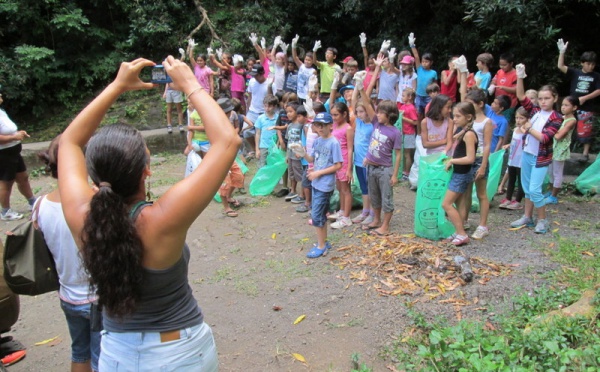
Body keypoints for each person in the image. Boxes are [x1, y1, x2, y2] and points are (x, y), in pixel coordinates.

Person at [57, 57, 240, 371]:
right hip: (179, 353)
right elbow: (227, 140)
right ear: (147, 171)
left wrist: (117, 86)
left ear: (94, 174)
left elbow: (70, 142)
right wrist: (191, 85)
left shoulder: (82, 216)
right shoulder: (162, 218)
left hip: (116, 354)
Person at [37, 135, 101, 372]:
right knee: (101, 357)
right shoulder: (93, 202)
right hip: (96, 297)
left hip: (67, 294)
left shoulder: (40, 205)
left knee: (79, 353)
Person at [510, 63, 561, 233]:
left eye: (547, 98)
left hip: (541, 158)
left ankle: (543, 220)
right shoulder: (535, 111)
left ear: (555, 98)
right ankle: (527, 217)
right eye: (541, 98)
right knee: (526, 188)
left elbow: (545, 138)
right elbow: (520, 96)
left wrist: (529, 128)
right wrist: (520, 76)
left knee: (535, 189)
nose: (543, 101)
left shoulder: (556, 117)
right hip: (527, 153)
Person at [291, 112, 343, 258]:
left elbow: (338, 165)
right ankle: (323, 242)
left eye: (323, 125)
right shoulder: (318, 141)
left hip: (325, 184)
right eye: (317, 125)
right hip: (316, 182)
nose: (320, 128)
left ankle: (321, 246)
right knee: (320, 215)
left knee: (316, 216)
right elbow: (312, 158)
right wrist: (302, 153)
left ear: (330, 126)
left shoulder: (334, 143)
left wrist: (318, 173)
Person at [456, 63, 493, 240]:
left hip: (478, 160)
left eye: (471, 104)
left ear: (480, 104)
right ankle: (464, 220)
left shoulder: (486, 122)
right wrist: (463, 72)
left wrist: (484, 165)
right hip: (466, 159)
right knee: (465, 192)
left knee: (482, 193)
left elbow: (487, 145)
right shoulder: (469, 120)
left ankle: (483, 225)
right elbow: (463, 92)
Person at [361, 100, 402, 236]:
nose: (377, 115)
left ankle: (385, 226)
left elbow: (398, 154)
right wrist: (361, 87)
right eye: (377, 112)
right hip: (371, 167)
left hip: (385, 169)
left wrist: (395, 175)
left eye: (381, 113)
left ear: (389, 115)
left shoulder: (395, 132)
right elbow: (367, 105)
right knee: (374, 196)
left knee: (386, 197)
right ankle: (377, 220)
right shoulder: (376, 124)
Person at [557, 39, 600, 163]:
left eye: (593, 64)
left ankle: (585, 154)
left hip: (588, 107)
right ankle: (564, 150)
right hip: (572, 104)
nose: (591, 66)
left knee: (586, 129)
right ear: (582, 63)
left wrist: (585, 98)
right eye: (588, 64)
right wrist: (562, 52)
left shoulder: (596, 76)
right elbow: (560, 66)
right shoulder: (576, 72)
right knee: (565, 125)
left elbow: (599, 90)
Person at [442, 102, 478, 246]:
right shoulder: (465, 131)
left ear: (469, 117)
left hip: (461, 174)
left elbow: (470, 158)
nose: (454, 119)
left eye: (458, 116)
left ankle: (462, 234)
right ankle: (459, 231)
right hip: (461, 173)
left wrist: (452, 161)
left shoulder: (469, 134)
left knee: (446, 204)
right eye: (453, 116)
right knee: (459, 203)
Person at [0, 92, 36, 221]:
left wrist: (18, 133)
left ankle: (33, 202)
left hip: (13, 151)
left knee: (23, 177)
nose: (0, 94)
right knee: (6, 182)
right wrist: (13, 137)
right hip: (3, 154)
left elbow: (6, 129)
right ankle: (5, 211)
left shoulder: (1, 111)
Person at [349, 69, 376, 225]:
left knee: (371, 188)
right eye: (357, 112)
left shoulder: (372, 124)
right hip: (358, 161)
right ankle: (365, 211)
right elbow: (353, 103)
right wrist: (357, 85)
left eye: (361, 111)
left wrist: (362, 89)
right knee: (364, 188)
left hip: (368, 161)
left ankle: (372, 212)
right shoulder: (358, 121)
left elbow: (366, 104)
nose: (358, 114)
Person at [546, 96, 578, 205]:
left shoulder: (571, 121)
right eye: (562, 105)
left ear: (574, 107)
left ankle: (554, 196)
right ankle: (550, 192)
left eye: (566, 105)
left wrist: (551, 130)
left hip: (560, 149)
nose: (563, 107)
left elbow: (559, 136)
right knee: (550, 172)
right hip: (552, 147)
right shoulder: (561, 117)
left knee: (557, 172)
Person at [217, 97, 245, 217]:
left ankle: (228, 197)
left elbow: (236, 127)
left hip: (230, 153)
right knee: (225, 182)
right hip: (221, 155)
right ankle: (226, 207)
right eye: (226, 112)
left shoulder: (232, 115)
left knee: (238, 176)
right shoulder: (215, 123)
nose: (229, 114)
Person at [499, 107, 527, 210]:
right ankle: (508, 198)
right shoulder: (515, 130)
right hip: (513, 159)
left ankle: (518, 200)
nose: (518, 121)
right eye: (516, 118)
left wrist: (525, 130)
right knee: (511, 179)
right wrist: (509, 145)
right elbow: (515, 142)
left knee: (520, 180)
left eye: (521, 118)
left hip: (521, 161)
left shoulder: (526, 132)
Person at [409, 32, 438, 120]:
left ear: (431, 62)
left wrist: (435, 95)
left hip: (428, 96)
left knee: (428, 115)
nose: (424, 63)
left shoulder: (433, 73)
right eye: (423, 61)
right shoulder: (419, 69)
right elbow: (416, 57)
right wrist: (412, 45)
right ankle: (418, 133)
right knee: (418, 115)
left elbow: (435, 85)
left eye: (427, 62)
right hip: (418, 95)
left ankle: (427, 131)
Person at [489, 52, 518, 120]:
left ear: (511, 63)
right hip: (498, 103)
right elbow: (494, 80)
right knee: (495, 120)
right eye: (500, 64)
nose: (502, 67)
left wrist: (503, 88)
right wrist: (492, 86)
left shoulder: (515, 74)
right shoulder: (499, 71)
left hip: (509, 104)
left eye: (504, 65)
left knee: (505, 120)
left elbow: (516, 90)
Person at [398, 88, 418, 180]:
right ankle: (404, 170)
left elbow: (415, 122)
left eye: (403, 95)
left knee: (407, 154)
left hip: (409, 133)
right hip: (403, 132)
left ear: (409, 97)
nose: (401, 97)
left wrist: (402, 117)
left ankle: (407, 172)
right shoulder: (403, 106)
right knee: (404, 153)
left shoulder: (411, 108)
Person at [254, 95, 280, 168]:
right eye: (265, 106)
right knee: (262, 166)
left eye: (269, 106)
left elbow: (279, 133)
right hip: (263, 146)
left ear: (274, 106)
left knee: (273, 166)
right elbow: (258, 134)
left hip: (274, 147)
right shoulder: (261, 118)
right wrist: (257, 149)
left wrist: (278, 144)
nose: (267, 108)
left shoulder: (277, 117)